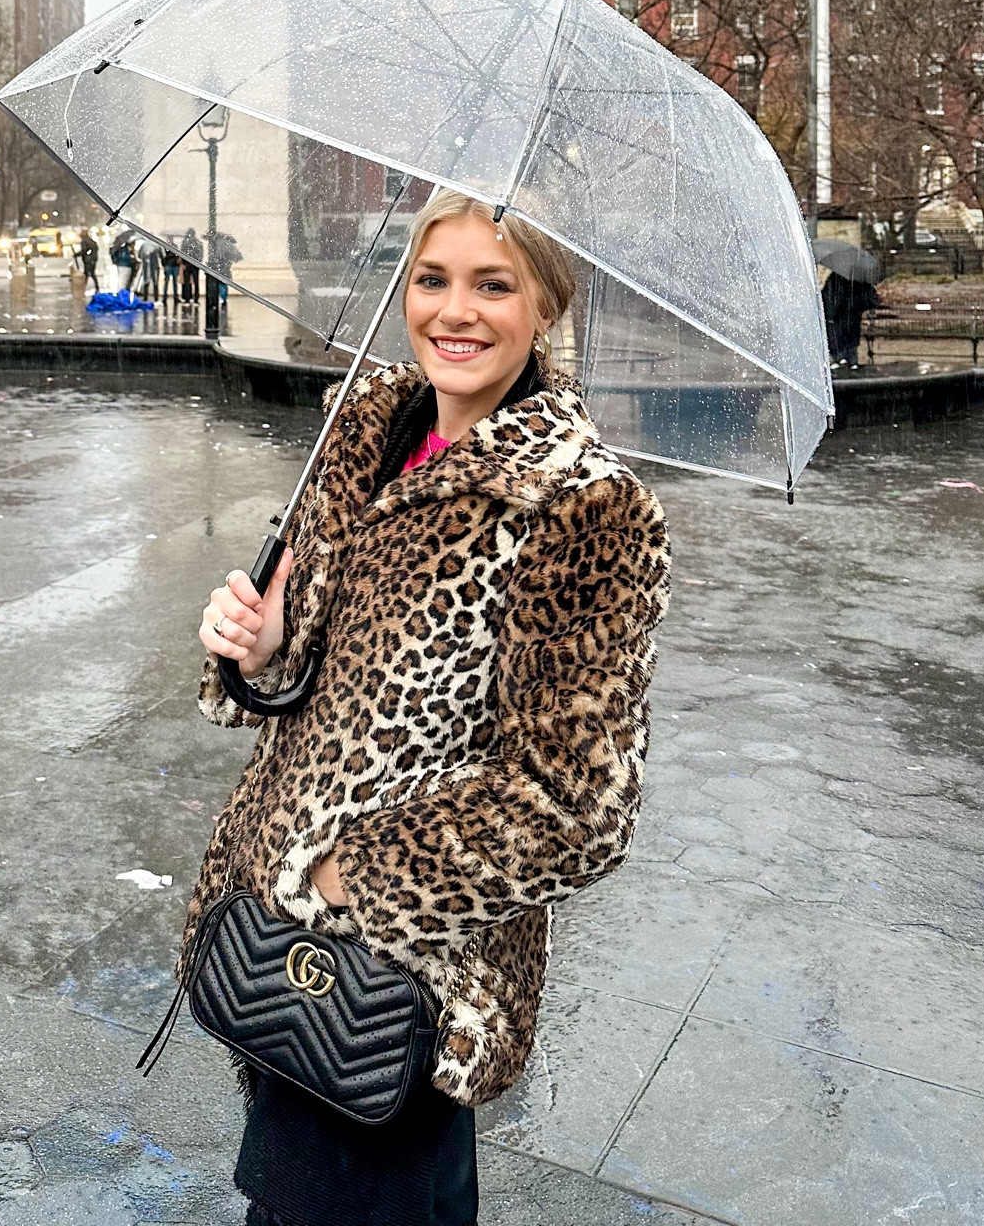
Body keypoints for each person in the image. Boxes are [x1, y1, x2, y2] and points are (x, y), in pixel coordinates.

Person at [186, 192, 671, 1226]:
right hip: (282, 929)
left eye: (494, 284)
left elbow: (576, 805)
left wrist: (352, 877)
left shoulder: (582, 503)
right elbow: (314, 678)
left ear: (546, 306)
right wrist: (264, 650)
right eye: (433, 278)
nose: (456, 310)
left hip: (405, 969)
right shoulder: (366, 433)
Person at [179, 226, 203, 303]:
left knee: (187, 282)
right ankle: (196, 299)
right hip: (196, 265)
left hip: (187, 264)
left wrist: (183, 263)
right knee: (196, 282)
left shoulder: (184, 242)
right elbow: (200, 253)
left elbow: (182, 253)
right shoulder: (198, 242)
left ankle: (187, 299)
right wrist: (198, 262)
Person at [110, 228, 138, 294]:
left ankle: (122, 295)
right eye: (133, 243)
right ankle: (121, 296)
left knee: (122, 282)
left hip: (120, 266)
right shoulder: (127, 251)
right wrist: (134, 260)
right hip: (126, 267)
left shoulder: (121, 249)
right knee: (123, 283)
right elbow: (128, 259)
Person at [138, 235, 162, 302]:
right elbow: (163, 255)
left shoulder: (143, 245)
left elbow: (139, 255)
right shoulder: (157, 245)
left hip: (145, 265)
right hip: (155, 265)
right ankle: (156, 299)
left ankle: (145, 298)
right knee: (155, 283)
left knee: (146, 281)